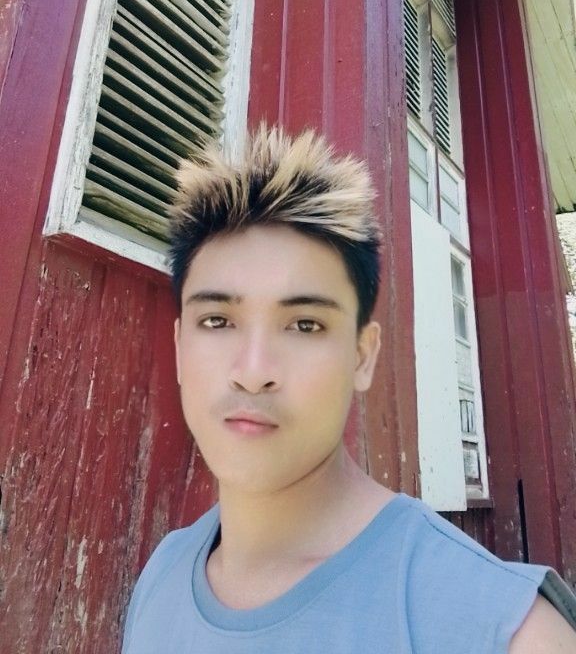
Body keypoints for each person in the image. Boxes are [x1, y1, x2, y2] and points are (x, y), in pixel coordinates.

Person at [122, 126, 576, 653]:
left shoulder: (506, 630)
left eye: (305, 325)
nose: (253, 371)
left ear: (363, 356)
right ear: (180, 347)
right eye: (218, 321)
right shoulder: (161, 575)